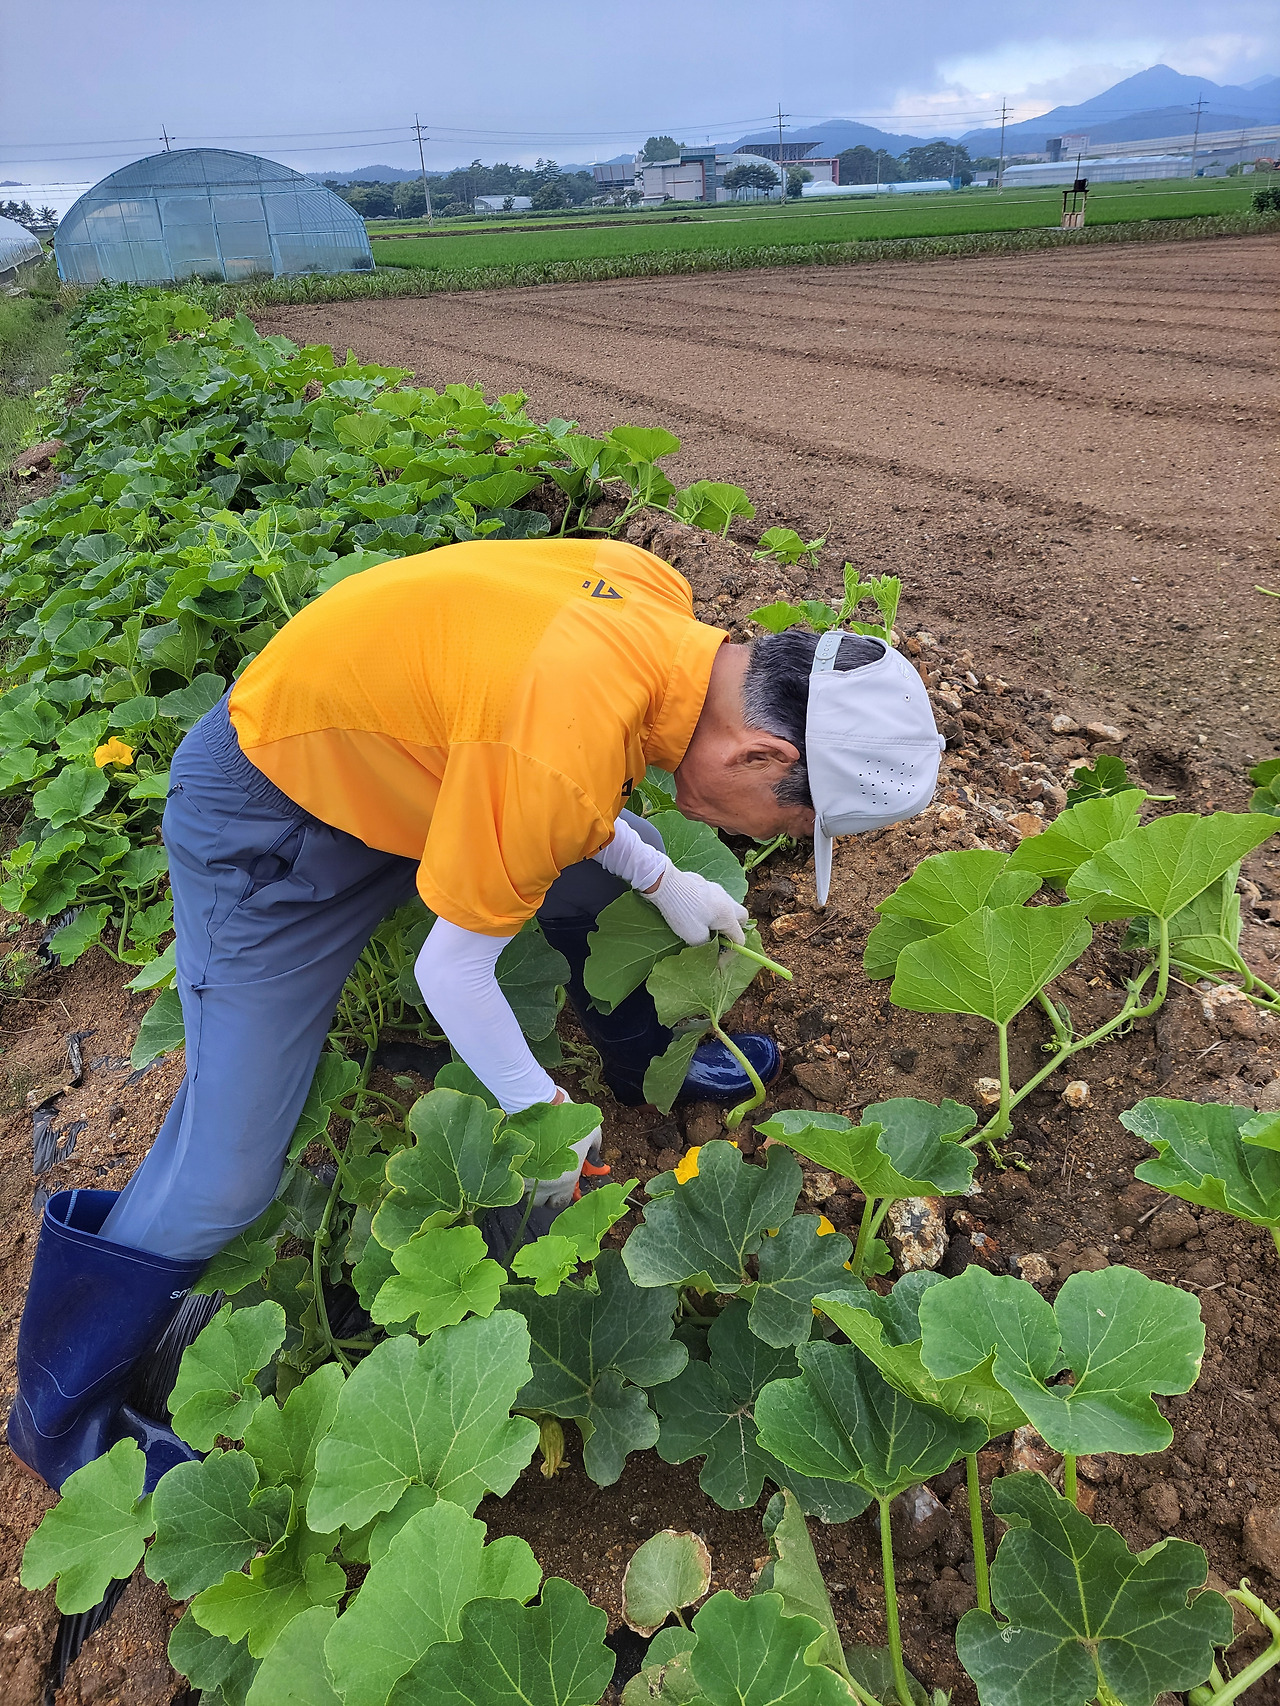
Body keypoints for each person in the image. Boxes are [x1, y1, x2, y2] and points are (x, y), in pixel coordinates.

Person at [9, 537, 943, 1491]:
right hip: (272, 819)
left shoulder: (657, 602)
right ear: (762, 751)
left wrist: (660, 877)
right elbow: (453, 967)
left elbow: (538, 756)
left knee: (627, 848)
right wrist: (542, 1113)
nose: (763, 836)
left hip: (405, 770)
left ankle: (641, 1057)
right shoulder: (561, 742)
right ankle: (58, 1421)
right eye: (786, 822)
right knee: (226, 1173)